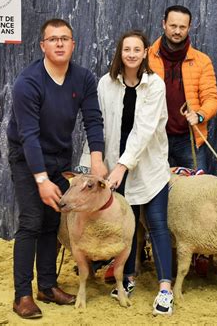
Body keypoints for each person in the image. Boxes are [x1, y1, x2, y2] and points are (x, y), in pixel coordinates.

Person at [7, 18, 107, 319]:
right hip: (27, 156)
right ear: (43, 46)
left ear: (73, 44)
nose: (59, 44)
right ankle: (22, 294)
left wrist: (98, 160)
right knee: (31, 221)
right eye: (53, 39)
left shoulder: (84, 78)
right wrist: (40, 179)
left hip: (59, 156)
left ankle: (47, 286)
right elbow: (28, 135)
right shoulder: (28, 82)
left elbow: (92, 120)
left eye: (65, 38)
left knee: (53, 221)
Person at [80, 30, 174, 316]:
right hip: (113, 167)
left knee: (157, 224)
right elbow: (96, 123)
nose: (131, 54)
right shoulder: (105, 84)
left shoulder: (155, 86)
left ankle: (165, 290)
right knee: (127, 227)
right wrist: (91, 162)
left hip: (148, 167)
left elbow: (144, 130)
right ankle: (129, 278)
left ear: (146, 52)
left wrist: (123, 165)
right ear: (120, 52)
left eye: (137, 49)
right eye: (126, 49)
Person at [148, 5, 217, 173]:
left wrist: (199, 115)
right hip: (153, 137)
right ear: (164, 24)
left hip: (189, 138)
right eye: (173, 26)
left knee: (198, 191)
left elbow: (211, 98)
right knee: (149, 190)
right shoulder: (146, 57)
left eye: (182, 27)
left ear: (189, 27)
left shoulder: (202, 61)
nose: (177, 31)